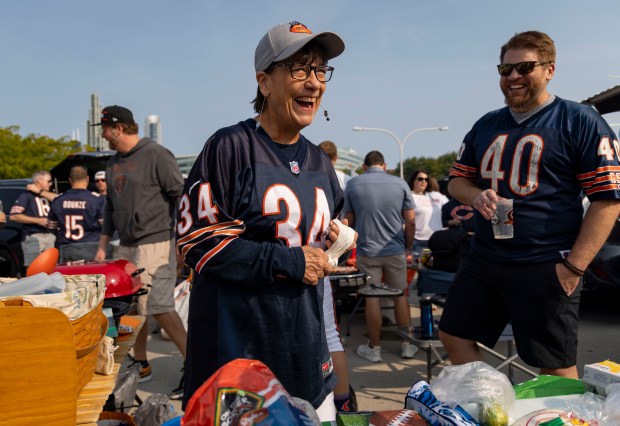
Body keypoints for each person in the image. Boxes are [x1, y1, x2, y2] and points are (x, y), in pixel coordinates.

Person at [176, 21, 350, 422]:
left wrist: (334, 243)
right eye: (298, 69)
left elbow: (314, 254)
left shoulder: (321, 163)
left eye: (320, 70)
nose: (313, 82)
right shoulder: (230, 146)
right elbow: (198, 243)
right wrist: (289, 261)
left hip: (305, 353)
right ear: (264, 82)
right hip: (239, 356)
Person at [438, 30, 620, 378]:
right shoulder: (486, 123)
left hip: (545, 261)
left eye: (524, 67)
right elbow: (458, 180)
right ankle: (490, 400)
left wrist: (575, 268)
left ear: (549, 69)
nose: (514, 77)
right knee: (454, 333)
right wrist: (476, 195)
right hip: (487, 256)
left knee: (554, 364)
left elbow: (607, 201)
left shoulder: (579, 120)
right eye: (505, 70)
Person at [92, 105, 187, 387]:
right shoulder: (113, 163)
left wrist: (182, 238)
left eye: (106, 129)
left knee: (158, 305)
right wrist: (102, 244)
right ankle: (141, 363)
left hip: (156, 242)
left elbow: (181, 195)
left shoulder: (155, 154)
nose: (104, 135)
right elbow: (110, 208)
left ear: (119, 128)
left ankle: (194, 366)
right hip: (126, 246)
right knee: (132, 309)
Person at [344, 150, 418, 362]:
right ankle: (406, 346)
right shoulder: (400, 183)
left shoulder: (354, 184)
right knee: (401, 296)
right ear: (384, 166)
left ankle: (374, 348)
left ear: (365, 166)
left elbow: (349, 219)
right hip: (395, 250)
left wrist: (349, 248)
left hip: (367, 251)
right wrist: (408, 246)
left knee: (372, 300)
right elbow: (411, 221)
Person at [318, 139, 355, 412]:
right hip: (320, 261)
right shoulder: (339, 176)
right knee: (330, 335)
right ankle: (342, 408)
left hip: (302, 263)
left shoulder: (316, 173)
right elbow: (342, 224)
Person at [47, 166, 105, 262]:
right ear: (87, 179)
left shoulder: (58, 200)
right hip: (92, 248)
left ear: (70, 180)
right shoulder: (97, 199)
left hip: (67, 248)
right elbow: (105, 226)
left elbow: (51, 226)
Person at [9, 171, 56, 268]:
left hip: (50, 235)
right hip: (33, 236)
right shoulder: (26, 196)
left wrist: (40, 192)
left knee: (50, 268)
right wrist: (38, 220)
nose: (51, 184)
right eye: (49, 181)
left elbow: (60, 199)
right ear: (39, 181)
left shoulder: (47, 195)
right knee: (34, 268)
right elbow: (14, 216)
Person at [407, 169, 449, 253]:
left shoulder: (435, 196)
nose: (423, 181)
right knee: (420, 266)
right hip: (418, 241)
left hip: (438, 241)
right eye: (420, 179)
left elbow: (450, 208)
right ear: (413, 181)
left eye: (426, 179)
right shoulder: (409, 197)